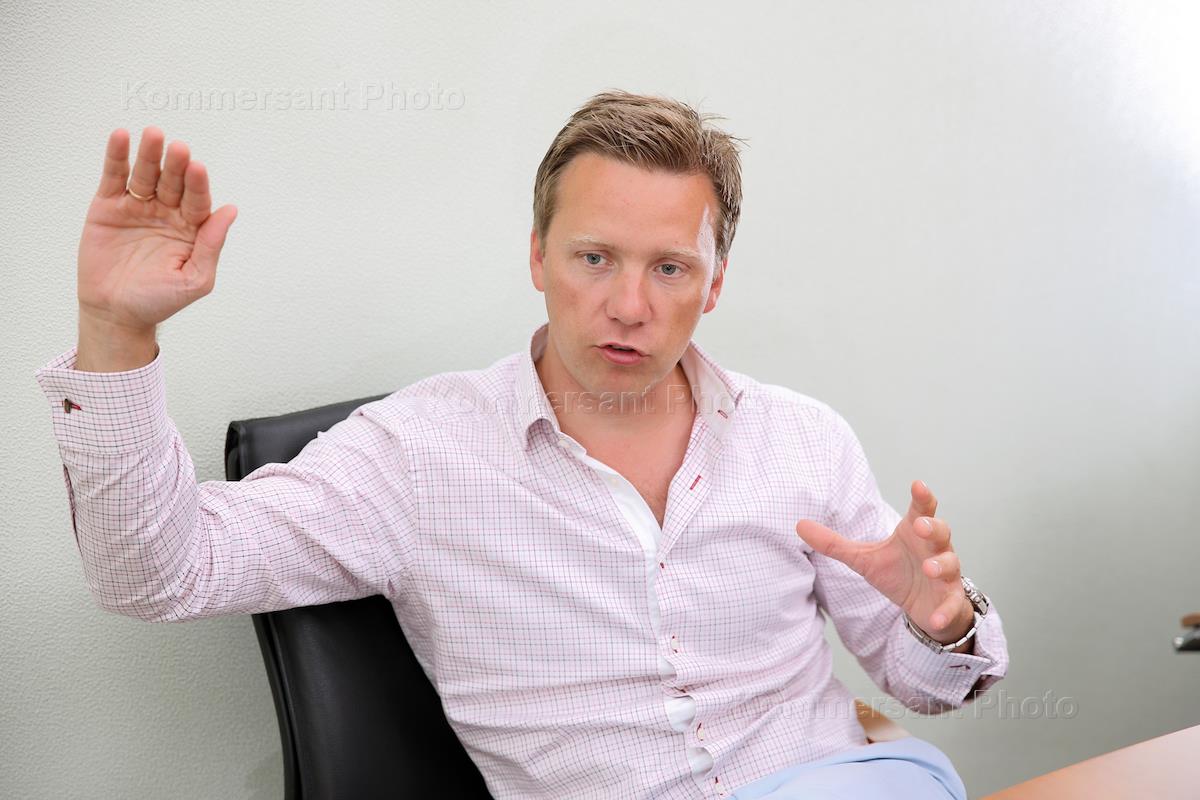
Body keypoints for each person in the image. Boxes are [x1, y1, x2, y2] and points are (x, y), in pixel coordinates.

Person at [34, 89, 1008, 799]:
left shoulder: (801, 438)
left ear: (715, 282)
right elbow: (160, 572)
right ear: (537, 255)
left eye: (670, 267)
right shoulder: (419, 454)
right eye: (594, 257)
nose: (628, 304)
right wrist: (115, 330)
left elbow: (932, 688)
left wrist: (941, 622)